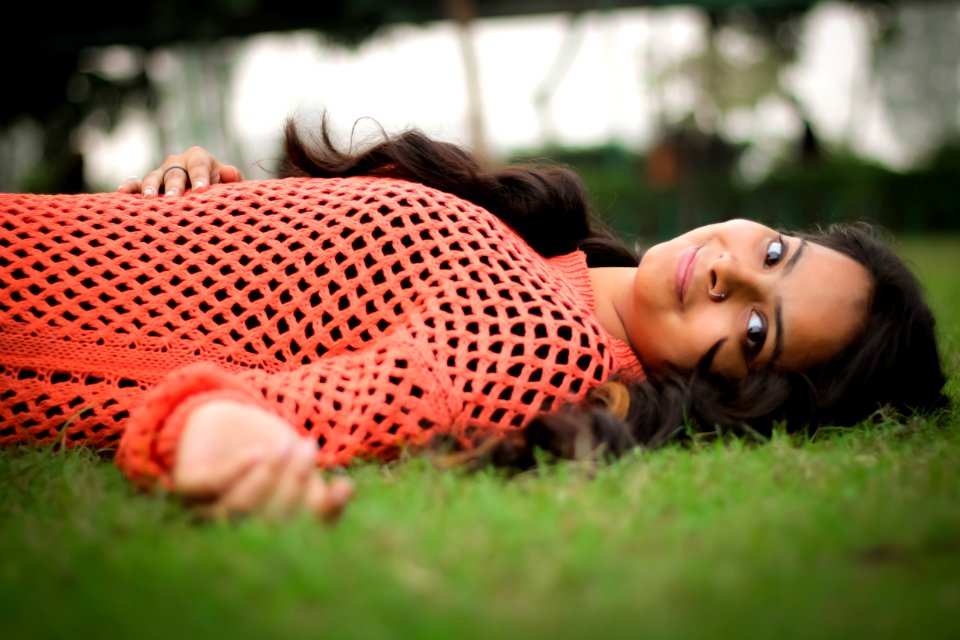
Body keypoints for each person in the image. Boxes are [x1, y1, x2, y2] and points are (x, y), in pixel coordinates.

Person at [2, 118, 947, 520]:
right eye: (776, 251)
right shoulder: (547, 248)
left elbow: (303, 404)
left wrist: (218, 427)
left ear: (737, 397)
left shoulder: (546, 348)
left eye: (755, 333)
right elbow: (289, 289)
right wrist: (199, 197)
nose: (732, 274)